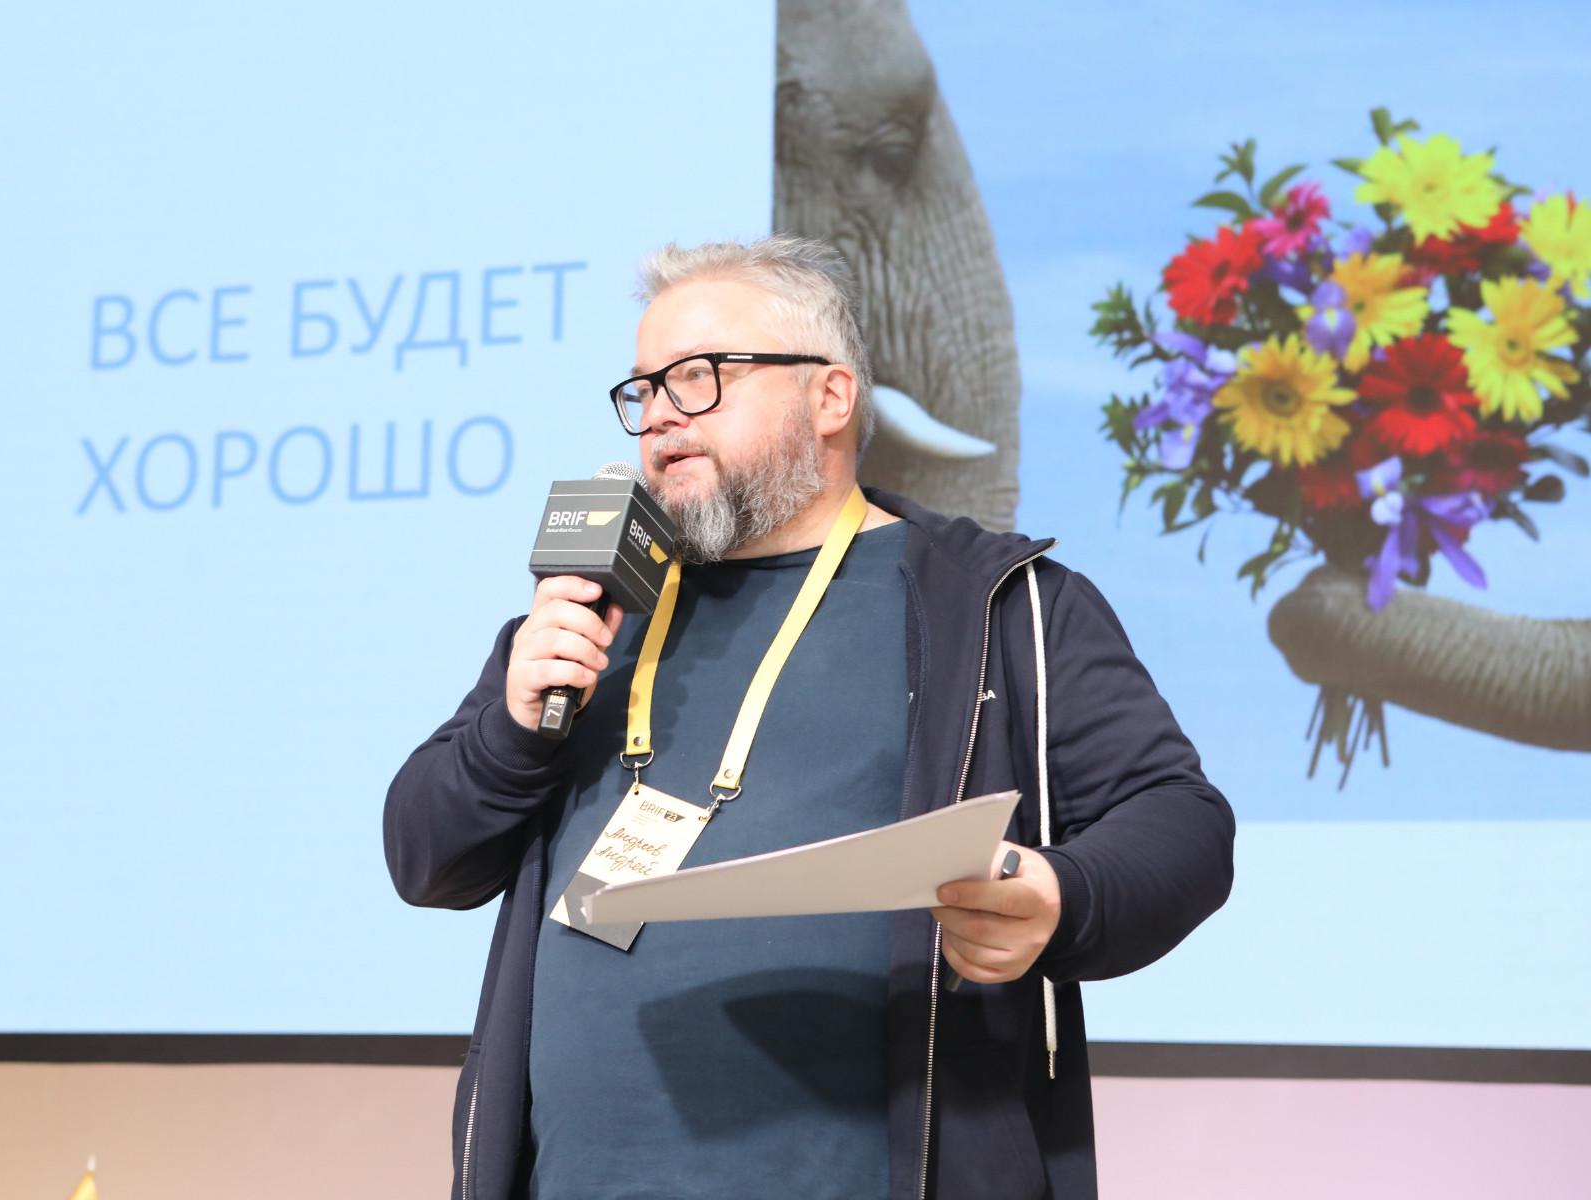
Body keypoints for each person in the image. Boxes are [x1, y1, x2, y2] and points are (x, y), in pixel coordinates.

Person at [384, 235, 1234, 1199]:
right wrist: (512, 726)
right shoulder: (591, 614)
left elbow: (1182, 823)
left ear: (830, 397)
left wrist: (1059, 895)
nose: (659, 415)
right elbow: (425, 857)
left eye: (699, 377)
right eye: (644, 389)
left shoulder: (1001, 603)